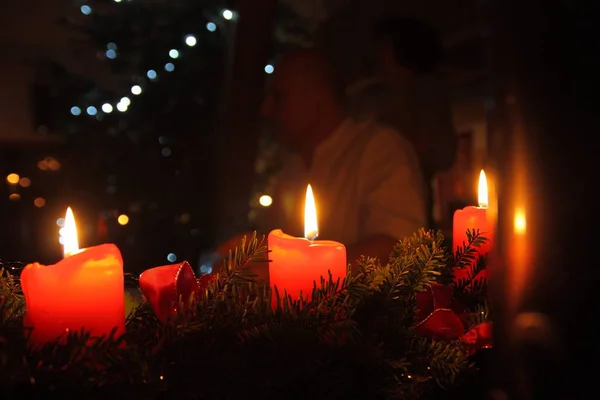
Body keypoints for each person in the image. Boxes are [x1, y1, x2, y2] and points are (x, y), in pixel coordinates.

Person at [214, 49, 427, 280]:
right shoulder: (292, 168)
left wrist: (295, 272)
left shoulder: (379, 148)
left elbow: (397, 246)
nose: (265, 110)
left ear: (319, 97)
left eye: (279, 97)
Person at [346, 17, 457, 229]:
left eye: (384, 48)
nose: (378, 56)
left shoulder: (425, 92)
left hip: (406, 208)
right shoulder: (388, 95)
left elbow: (440, 153)